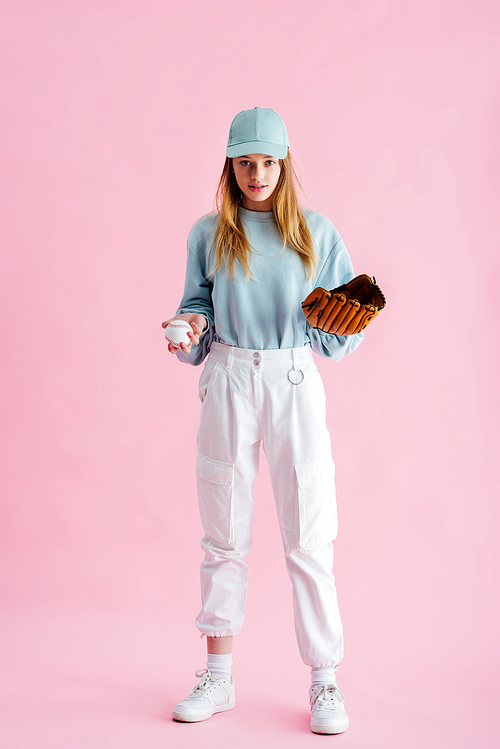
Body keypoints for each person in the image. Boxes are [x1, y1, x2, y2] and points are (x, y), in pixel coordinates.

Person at [161, 107, 364, 735]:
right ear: (230, 165)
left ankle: (324, 682)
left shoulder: (316, 232)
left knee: (309, 533)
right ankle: (218, 678)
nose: (257, 174)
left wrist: (342, 322)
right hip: (227, 377)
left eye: (268, 162)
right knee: (223, 530)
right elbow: (197, 308)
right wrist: (186, 327)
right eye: (245, 162)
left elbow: (341, 329)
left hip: (293, 378)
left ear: (285, 164)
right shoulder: (207, 234)